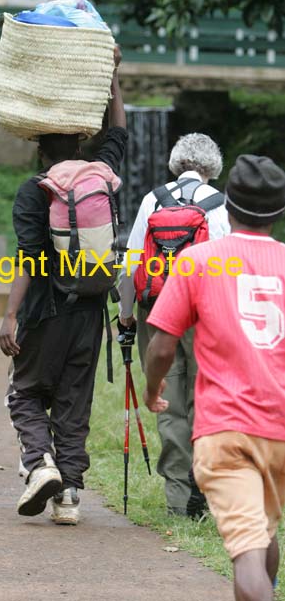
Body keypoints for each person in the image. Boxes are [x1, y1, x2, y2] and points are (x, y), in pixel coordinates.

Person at [143, 154, 285, 601]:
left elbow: (163, 344)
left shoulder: (197, 260)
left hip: (226, 429)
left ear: (228, 208)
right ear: (279, 212)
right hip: (280, 428)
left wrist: (152, 390)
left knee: (246, 552)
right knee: (263, 530)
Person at [0, 49, 127, 525]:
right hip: (91, 311)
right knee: (74, 400)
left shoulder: (36, 189)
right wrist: (113, 76)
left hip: (44, 311)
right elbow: (118, 133)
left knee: (25, 393)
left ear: (40, 149)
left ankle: (40, 464)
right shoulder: (103, 177)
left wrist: (11, 315)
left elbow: (30, 257)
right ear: (80, 142)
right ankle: (69, 496)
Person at [118, 133, 230, 516]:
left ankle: (178, 501)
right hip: (206, 316)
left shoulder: (153, 199)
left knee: (168, 401)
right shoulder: (220, 206)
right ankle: (208, 494)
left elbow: (133, 261)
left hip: (158, 312)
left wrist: (127, 313)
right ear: (212, 168)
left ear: (176, 163)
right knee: (207, 401)